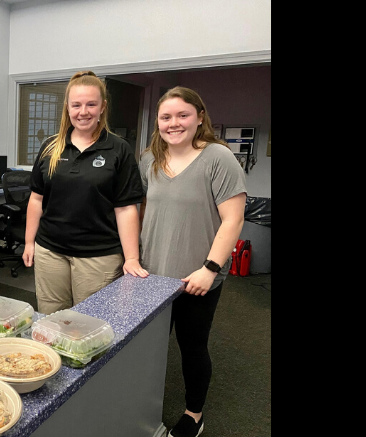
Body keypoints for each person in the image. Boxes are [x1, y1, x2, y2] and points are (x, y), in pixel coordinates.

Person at [138, 86, 247, 437]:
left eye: (182, 115)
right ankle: (140, 406)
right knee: (147, 349)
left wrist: (210, 269)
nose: (174, 123)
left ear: (199, 117)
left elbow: (233, 219)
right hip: (151, 275)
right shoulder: (149, 159)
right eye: (166, 117)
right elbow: (139, 211)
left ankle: (193, 415)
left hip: (196, 279)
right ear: (158, 122)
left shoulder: (218, 157)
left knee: (192, 347)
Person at [22, 71, 148, 315]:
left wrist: (131, 257)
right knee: (51, 318)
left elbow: (126, 208)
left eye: (91, 104)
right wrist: (29, 242)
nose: (83, 111)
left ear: (103, 107)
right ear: (67, 108)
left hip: (98, 255)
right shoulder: (50, 147)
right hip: (50, 251)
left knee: (91, 324)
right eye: (76, 105)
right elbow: (37, 199)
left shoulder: (118, 149)